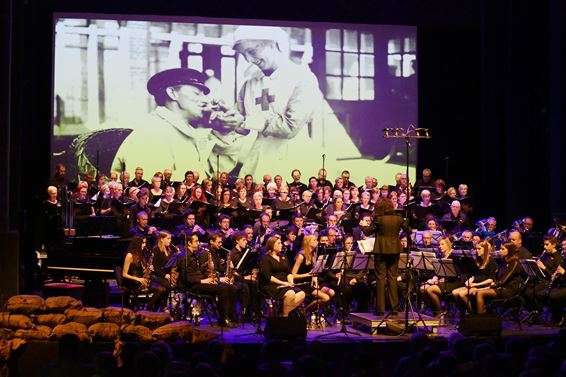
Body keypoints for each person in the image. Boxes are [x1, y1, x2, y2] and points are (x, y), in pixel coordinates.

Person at [213, 25, 323, 178]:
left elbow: (290, 128)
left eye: (251, 51)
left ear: (272, 44)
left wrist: (244, 120)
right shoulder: (249, 84)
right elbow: (241, 127)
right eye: (243, 54)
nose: (249, 60)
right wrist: (225, 119)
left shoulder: (303, 78)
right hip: (257, 161)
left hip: (295, 161)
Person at [112, 68, 238, 180]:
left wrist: (223, 132)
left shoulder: (182, 131)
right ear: (173, 93)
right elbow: (149, 192)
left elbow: (210, 172)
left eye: (204, 95)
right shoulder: (152, 134)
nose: (205, 100)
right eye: (196, 93)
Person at [176, 234, 238, 327]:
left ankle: (228, 317)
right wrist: (203, 281)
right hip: (191, 286)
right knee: (222, 289)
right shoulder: (184, 256)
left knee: (228, 287)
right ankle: (222, 320)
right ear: (189, 243)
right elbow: (186, 277)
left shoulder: (194, 254)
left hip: (199, 281)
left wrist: (207, 267)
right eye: (196, 241)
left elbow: (197, 271)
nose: (198, 243)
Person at [360, 199, 410, 315]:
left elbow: (368, 232)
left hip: (381, 250)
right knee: (392, 277)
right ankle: (394, 308)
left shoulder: (379, 219)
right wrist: (406, 223)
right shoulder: (398, 218)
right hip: (394, 250)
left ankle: (380, 309)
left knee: (380, 278)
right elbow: (409, 230)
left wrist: (363, 226)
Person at [259, 236, 306, 317]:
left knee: (302, 294)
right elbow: (268, 276)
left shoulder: (283, 257)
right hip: (271, 285)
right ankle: (285, 316)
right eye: (279, 243)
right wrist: (283, 283)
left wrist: (290, 282)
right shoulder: (265, 259)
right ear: (272, 245)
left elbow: (289, 272)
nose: (281, 245)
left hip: (286, 284)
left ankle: (283, 313)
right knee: (290, 293)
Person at [451, 240, 498, 314]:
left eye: (479, 249)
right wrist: (470, 280)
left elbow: (491, 279)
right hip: (474, 284)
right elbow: (474, 274)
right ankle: (464, 313)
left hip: (483, 286)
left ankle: (471, 314)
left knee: (461, 294)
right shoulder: (478, 261)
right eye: (476, 249)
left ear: (485, 249)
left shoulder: (491, 261)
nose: (477, 251)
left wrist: (476, 284)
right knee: (454, 292)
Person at [419, 236, 462, 316]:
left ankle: (439, 313)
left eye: (442, 244)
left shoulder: (454, 256)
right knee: (422, 288)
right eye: (439, 244)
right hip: (442, 281)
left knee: (430, 290)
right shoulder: (440, 256)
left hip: (453, 282)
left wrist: (439, 281)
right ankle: (434, 309)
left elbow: (455, 274)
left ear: (448, 245)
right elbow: (437, 272)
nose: (440, 246)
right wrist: (433, 279)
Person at [291, 235, 335, 314]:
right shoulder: (301, 256)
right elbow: (293, 275)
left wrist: (315, 279)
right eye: (314, 240)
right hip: (302, 284)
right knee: (326, 298)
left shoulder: (313, 254)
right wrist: (308, 274)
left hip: (311, 284)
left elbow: (314, 272)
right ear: (308, 242)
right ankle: (304, 311)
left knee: (331, 292)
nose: (317, 242)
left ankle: (314, 311)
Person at [475, 242, 523, 314]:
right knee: (474, 291)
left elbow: (503, 281)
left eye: (503, 249)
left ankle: (480, 319)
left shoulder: (514, 262)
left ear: (509, 250)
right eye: (500, 248)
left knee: (479, 293)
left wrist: (488, 287)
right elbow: (497, 277)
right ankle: (478, 314)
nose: (500, 250)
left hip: (509, 289)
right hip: (500, 287)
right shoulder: (503, 260)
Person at [121, 237, 167, 311]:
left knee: (162, 289)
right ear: (137, 244)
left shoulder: (142, 255)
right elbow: (124, 274)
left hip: (141, 282)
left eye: (145, 243)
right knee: (160, 289)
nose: (144, 245)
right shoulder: (129, 256)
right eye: (143, 243)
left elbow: (143, 270)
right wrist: (138, 279)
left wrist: (149, 269)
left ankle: (151, 310)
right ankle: (147, 311)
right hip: (132, 284)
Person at [150, 231, 178, 311]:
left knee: (170, 284)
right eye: (168, 238)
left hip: (165, 276)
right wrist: (164, 275)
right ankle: (164, 306)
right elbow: (154, 268)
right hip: (156, 276)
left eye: (170, 239)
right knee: (167, 285)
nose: (170, 241)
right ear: (162, 239)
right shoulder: (156, 250)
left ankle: (158, 307)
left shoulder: (169, 250)